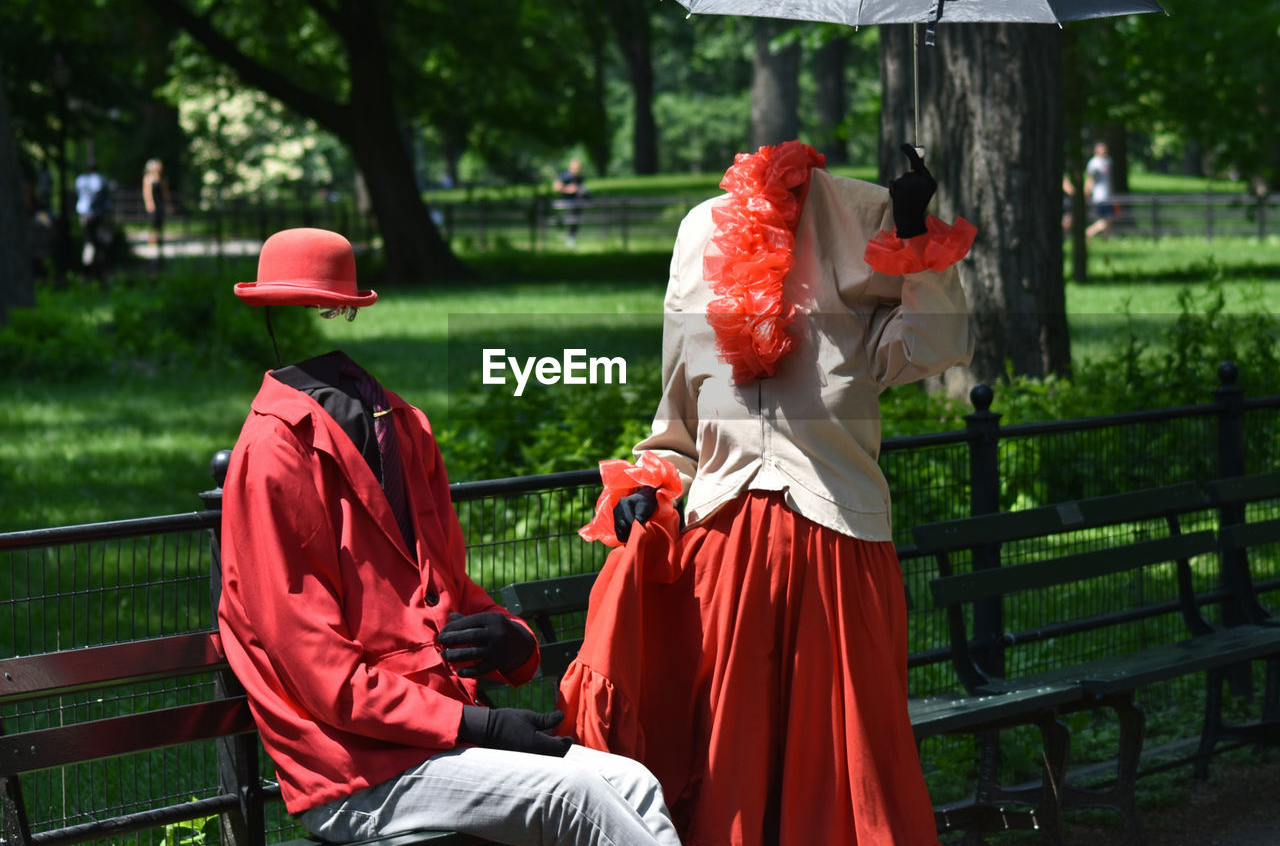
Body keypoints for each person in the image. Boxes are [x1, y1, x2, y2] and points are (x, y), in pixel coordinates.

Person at [557, 140, 976, 846]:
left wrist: (912, 235)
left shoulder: (863, 243)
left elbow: (938, 345)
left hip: (840, 546)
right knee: (729, 760)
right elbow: (675, 434)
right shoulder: (698, 245)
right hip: (725, 556)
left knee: (854, 762)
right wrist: (649, 490)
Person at [216, 228, 681, 846]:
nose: (333, 330)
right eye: (319, 312)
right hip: (356, 775)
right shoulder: (276, 452)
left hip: (440, 740)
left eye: (339, 311)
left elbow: (449, 590)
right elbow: (325, 676)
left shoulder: (402, 427)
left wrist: (513, 641)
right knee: (578, 797)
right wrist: (479, 726)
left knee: (634, 783)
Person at [74, 160, 113, 281]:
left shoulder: (80, 180)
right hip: (98, 216)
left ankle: (87, 271)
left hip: (84, 215)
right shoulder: (101, 180)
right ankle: (98, 272)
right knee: (99, 243)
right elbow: (107, 201)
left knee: (89, 243)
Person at [1084, 141, 1118, 238]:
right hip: (1098, 196)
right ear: (1096, 150)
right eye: (1101, 149)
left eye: (1104, 148)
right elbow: (1089, 180)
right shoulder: (1094, 164)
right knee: (1106, 220)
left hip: (1107, 196)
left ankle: (1105, 240)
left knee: (1109, 220)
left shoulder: (1108, 161)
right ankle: (1088, 232)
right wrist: (1087, 193)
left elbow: (1110, 180)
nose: (1103, 151)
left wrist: (1112, 194)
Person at [552, 158, 589, 246]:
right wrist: (569, 190)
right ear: (571, 167)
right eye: (575, 168)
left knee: (576, 220)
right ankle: (569, 237)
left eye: (578, 168)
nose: (576, 170)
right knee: (571, 220)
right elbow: (556, 187)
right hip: (566, 202)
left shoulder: (580, 177)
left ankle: (572, 237)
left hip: (577, 203)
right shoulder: (565, 176)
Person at [142, 158, 170, 259]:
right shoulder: (148, 178)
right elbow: (147, 193)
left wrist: (167, 204)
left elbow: (165, 192)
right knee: (153, 223)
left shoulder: (162, 178)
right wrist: (149, 204)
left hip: (160, 204)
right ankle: (152, 240)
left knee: (160, 222)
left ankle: (159, 240)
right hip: (153, 204)